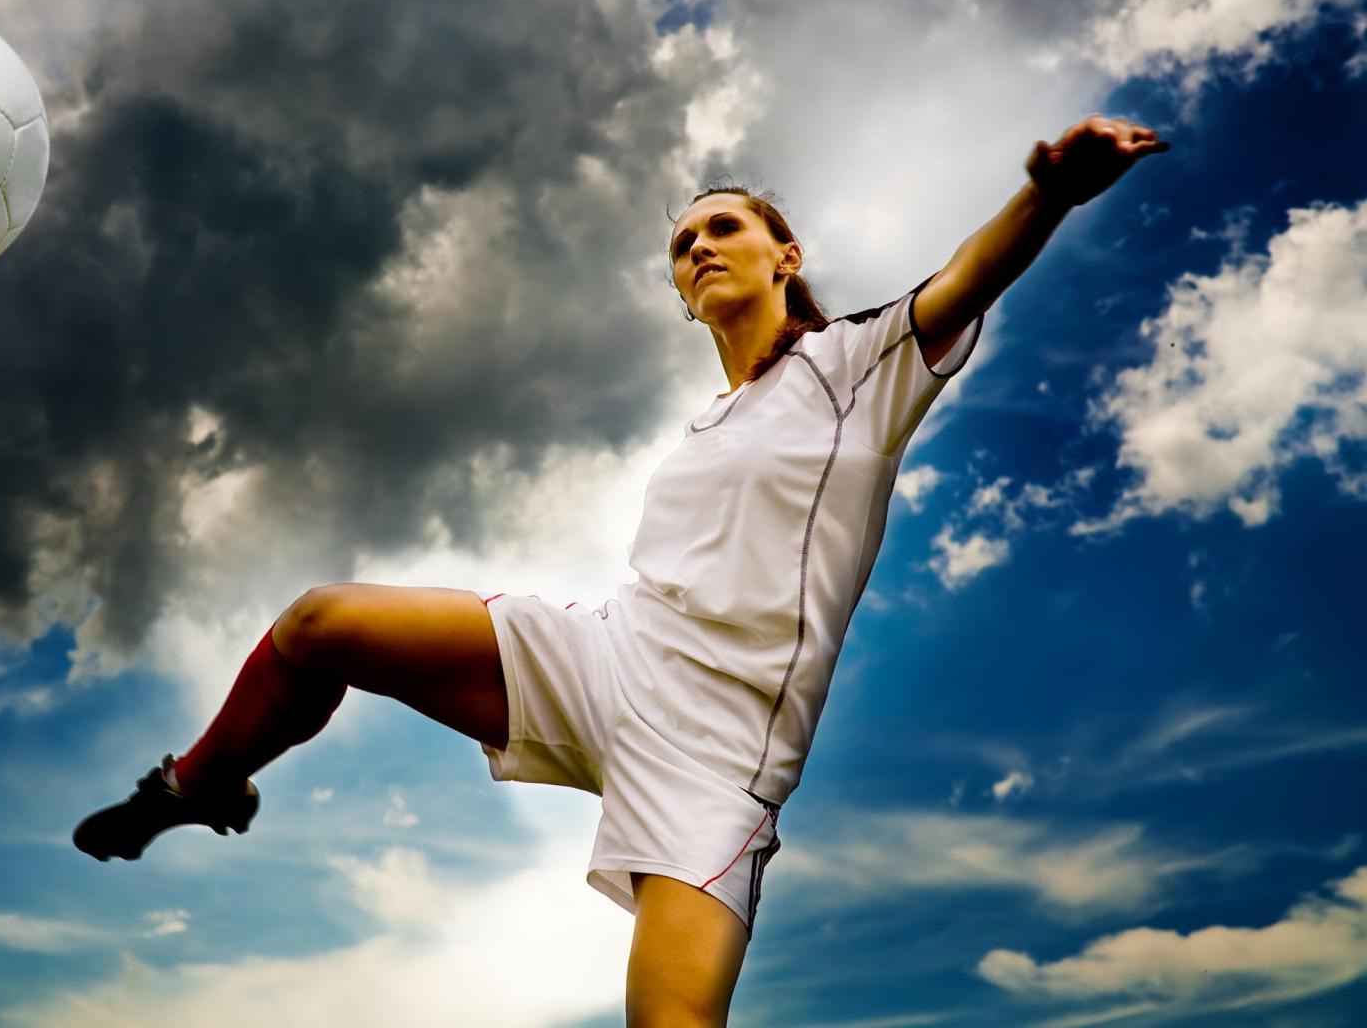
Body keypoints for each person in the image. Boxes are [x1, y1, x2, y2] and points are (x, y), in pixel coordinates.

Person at [73, 115, 1170, 1026]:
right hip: (608, 656)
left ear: (786, 256)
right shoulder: (704, 425)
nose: (700, 245)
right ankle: (203, 783)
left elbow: (973, 277)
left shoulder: (855, 368)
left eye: (726, 226)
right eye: (683, 242)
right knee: (320, 624)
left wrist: (1052, 194)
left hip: (717, 755)